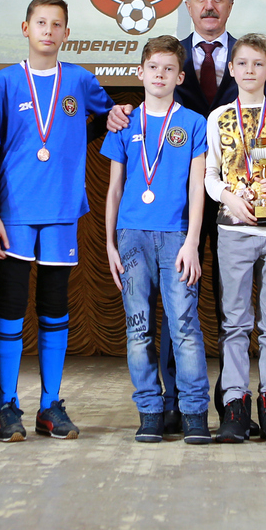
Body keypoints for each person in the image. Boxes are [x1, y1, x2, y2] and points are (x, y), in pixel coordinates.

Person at [0, 0, 132, 441]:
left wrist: (118, 115)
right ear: (25, 28)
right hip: (14, 208)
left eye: (56, 24)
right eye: (41, 22)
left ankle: (50, 404)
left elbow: (110, 117)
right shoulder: (5, 82)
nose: (48, 30)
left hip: (62, 208)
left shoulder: (81, 80)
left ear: (67, 33)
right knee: (11, 304)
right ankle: (7, 405)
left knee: (54, 307)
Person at [172, 0, 266, 429]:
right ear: (188, 4)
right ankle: (185, 405)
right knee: (199, 307)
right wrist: (225, 193)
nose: (209, 5)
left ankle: (257, 403)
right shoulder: (172, 56)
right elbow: (209, 169)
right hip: (191, 200)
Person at [103, 35, 212, 444]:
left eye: (169, 69)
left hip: (177, 236)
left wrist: (192, 241)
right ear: (140, 72)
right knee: (138, 329)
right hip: (131, 237)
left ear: (180, 76)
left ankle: (194, 411)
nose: (160, 75)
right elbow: (114, 189)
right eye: (153, 68)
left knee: (184, 328)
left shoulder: (194, 123)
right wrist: (110, 244)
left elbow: (197, 188)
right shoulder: (125, 122)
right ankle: (149, 410)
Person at [205, 34, 266, 442]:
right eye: (242, 63)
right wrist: (227, 196)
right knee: (235, 322)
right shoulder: (218, 117)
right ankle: (235, 404)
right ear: (231, 69)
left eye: (259, 64)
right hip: (233, 230)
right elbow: (210, 174)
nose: (250, 71)